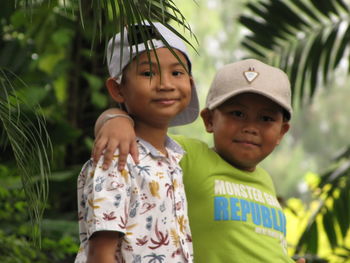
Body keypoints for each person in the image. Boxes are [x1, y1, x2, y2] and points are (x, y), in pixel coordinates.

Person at [93, 59, 306, 262]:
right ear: (209, 120)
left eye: (266, 118)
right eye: (238, 113)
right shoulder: (189, 156)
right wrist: (115, 119)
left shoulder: (266, 182)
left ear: (281, 132)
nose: (250, 127)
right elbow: (140, 134)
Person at [75, 21, 200, 263]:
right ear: (118, 89)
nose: (165, 84)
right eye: (148, 73)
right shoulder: (117, 157)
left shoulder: (173, 158)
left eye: (177, 72)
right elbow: (101, 255)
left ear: (190, 83)